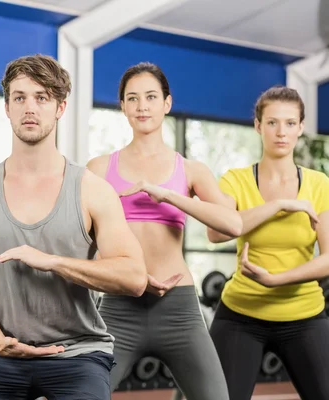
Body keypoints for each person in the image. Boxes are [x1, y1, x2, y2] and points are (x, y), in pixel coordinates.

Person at [0, 54, 149, 400]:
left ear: (60, 107)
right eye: (20, 97)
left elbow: (134, 277)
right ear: (7, 107)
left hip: (79, 354)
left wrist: (54, 261)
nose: (29, 108)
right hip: (0, 353)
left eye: (42, 97)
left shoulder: (91, 190)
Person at [86, 62, 242, 399]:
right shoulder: (98, 169)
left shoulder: (190, 170)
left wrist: (169, 194)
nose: (142, 105)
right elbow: (79, 242)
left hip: (179, 309)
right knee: (80, 394)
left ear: (166, 104)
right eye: (133, 98)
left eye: (151, 97)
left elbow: (232, 225)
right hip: (118, 309)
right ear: (123, 106)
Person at [207, 85, 329, 400]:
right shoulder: (235, 180)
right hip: (241, 315)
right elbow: (216, 233)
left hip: (303, 314)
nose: (281, 132)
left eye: (290, 123)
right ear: (258, 125)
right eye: (272, 122)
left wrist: (277, 280)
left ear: (301, 127)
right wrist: (278, 206)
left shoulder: (319, 185)